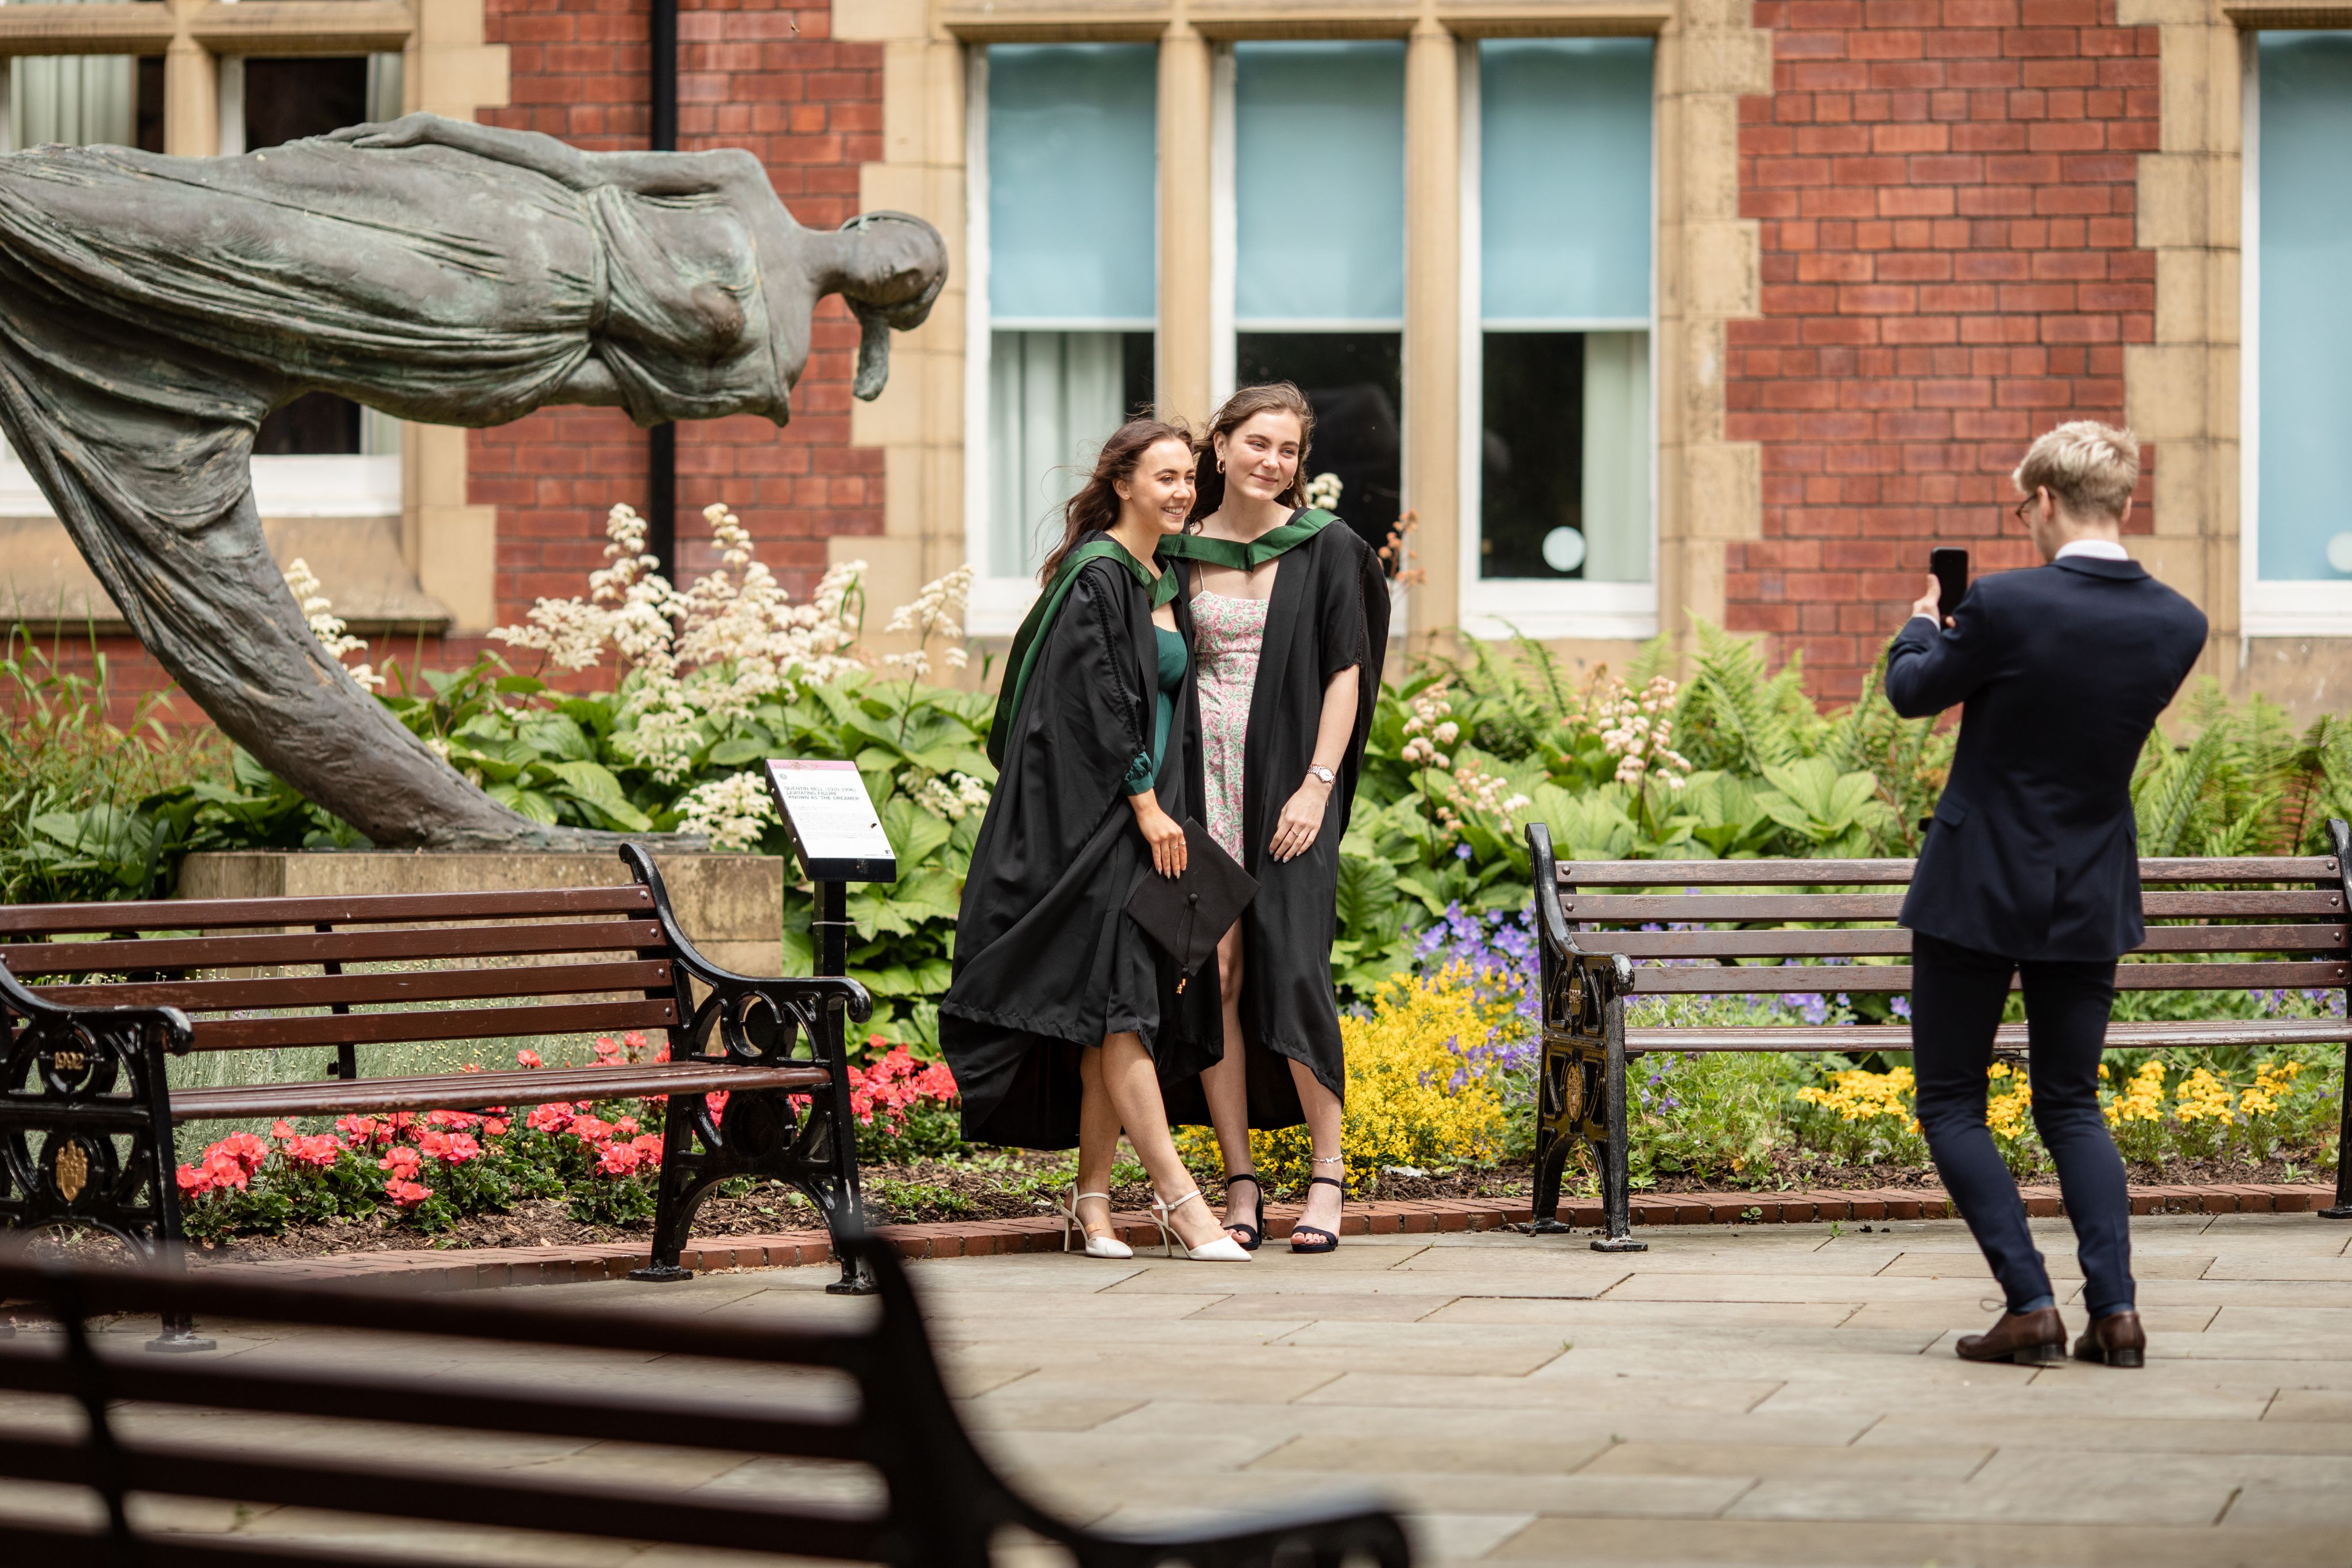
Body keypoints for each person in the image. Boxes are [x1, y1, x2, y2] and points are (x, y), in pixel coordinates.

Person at [1886, 421, 2206, 1369]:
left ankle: (2029, 1305)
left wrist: (1922, 623)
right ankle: (2117, 1315)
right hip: (2090, 886)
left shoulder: (2006, 604)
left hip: (1977, 883)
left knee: (1951, 1101)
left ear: (2048, 502)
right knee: (2071, 1104)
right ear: (2125, 504)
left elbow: (1913, 694)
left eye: (2023, 505)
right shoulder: (2177, 623)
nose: (2024, 522)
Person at [941, 419, 1246, 1263]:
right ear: (1121, 482)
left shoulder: (1160, 575)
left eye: (1190, 477)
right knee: (1122, 1018)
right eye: (1166, 477)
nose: (1183, 490)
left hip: (1149, 824)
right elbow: (1098, 698)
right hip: (1107, 820)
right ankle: (1187, 1209)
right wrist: (1145, 803)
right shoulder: (1099, 576)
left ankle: (1094, 1206)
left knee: (1117, 1016)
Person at [1157, 384, 1391, 1254]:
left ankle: (1327, 1174)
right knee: (1213, 975)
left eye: (1289, 451)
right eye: (1257, 443)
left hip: (1292, 795)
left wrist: (1317, 784)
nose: (1272, 462)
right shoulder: (1175, 552)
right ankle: (1241, 1182)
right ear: (1219, 446)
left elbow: (1347, 672)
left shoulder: (1329, 550)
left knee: (1295, 967)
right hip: (1197, 791)